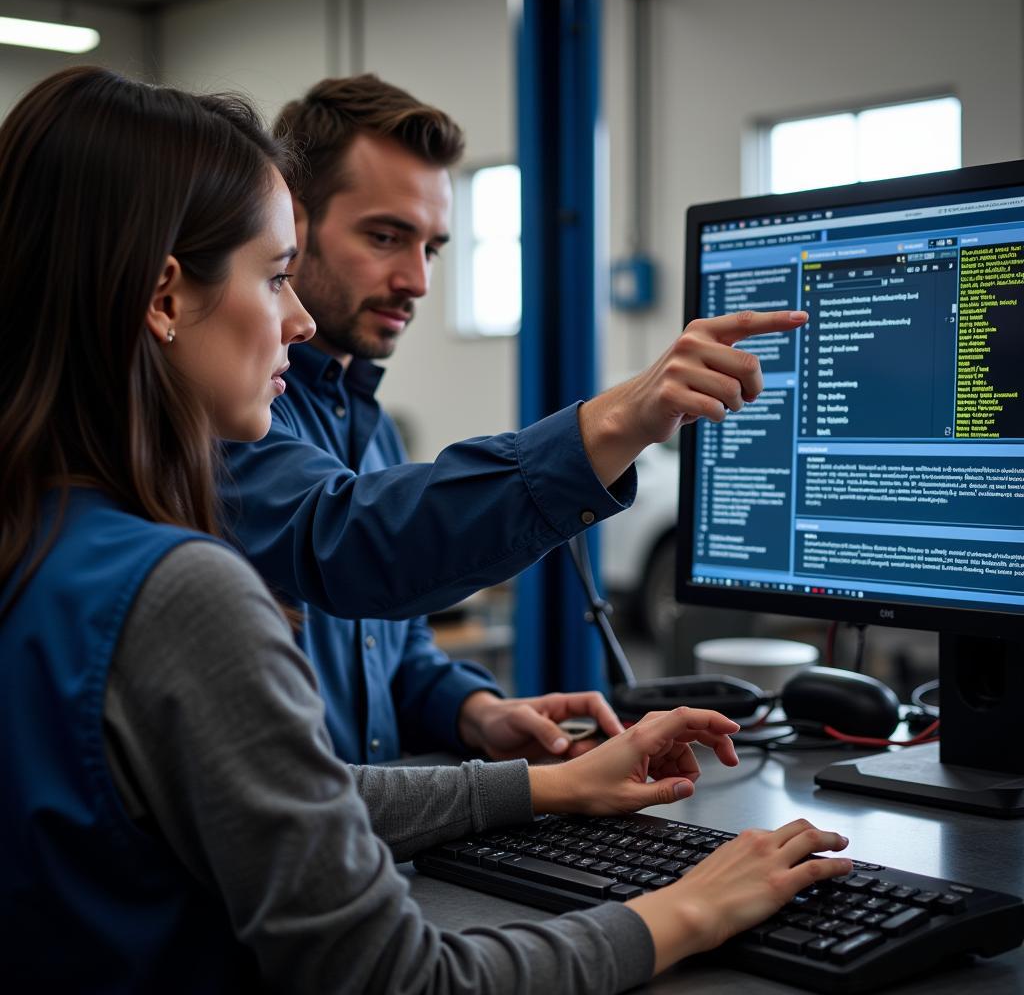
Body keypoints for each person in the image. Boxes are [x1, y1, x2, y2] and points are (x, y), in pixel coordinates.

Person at [0, 65, 851, 993]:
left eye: (432, 245)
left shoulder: (39, 534)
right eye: (277, 273)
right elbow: (401, 980)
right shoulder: (175, 584)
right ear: (163, 298)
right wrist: (684, 908)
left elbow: (269, 794)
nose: (296, 320)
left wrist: (530, 777)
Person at [222, 74, 806, 764]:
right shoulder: (230, 414)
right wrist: (616, 421)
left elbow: (394, 646)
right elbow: (351, 543)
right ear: (294, 225)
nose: (419, 280)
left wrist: (476, 711)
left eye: (432, 248)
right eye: (385, 237)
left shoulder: (366, 420)